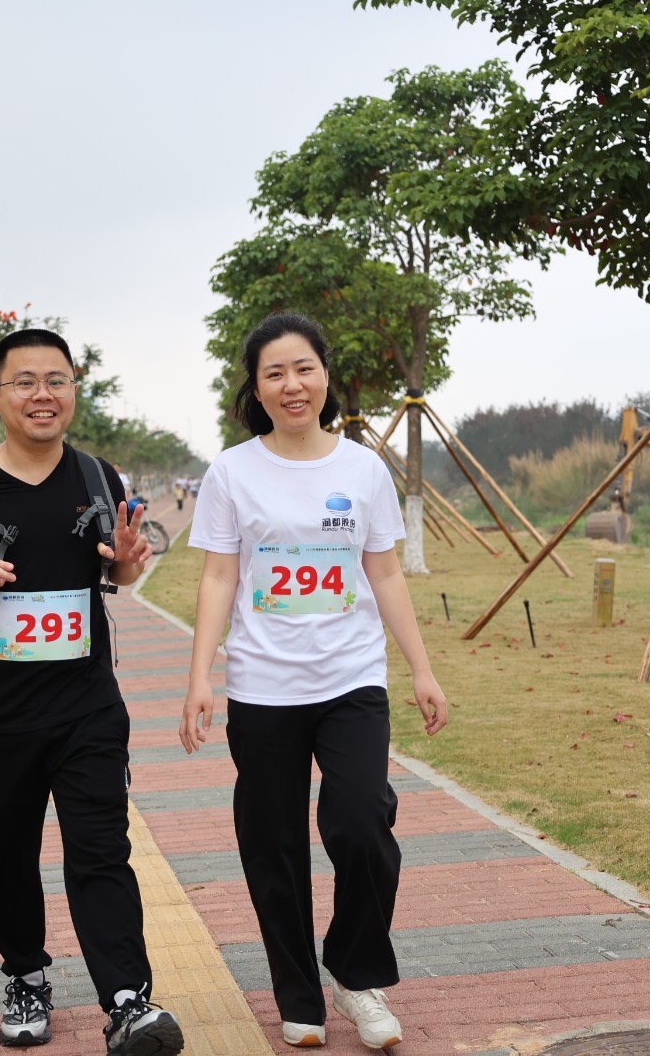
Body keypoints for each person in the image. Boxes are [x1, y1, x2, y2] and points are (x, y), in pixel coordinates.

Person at [0, 327, 184, 1056]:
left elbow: (116, 572)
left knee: (101, 850)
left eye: (56, 380)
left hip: (88, 706)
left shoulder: (99, 478)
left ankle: (128, 1000)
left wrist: (131, 562)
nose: (42, 394)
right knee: (11, 855)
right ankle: (25, 976)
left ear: (74, 390)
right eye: (25, 382)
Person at [178, 312, 447, 1050]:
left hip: (351, 679)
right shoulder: (232, 472)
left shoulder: (363, 469)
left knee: (362, 824)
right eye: (275, 373)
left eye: (304, 368)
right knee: (273, 845)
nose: (292, 385)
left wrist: (421, 668)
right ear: (256, 387)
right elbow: (219, 576)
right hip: (263, 685)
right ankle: (299, 996)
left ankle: (356, 975)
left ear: (325, 375)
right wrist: (200, 676)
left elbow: (384, 572)